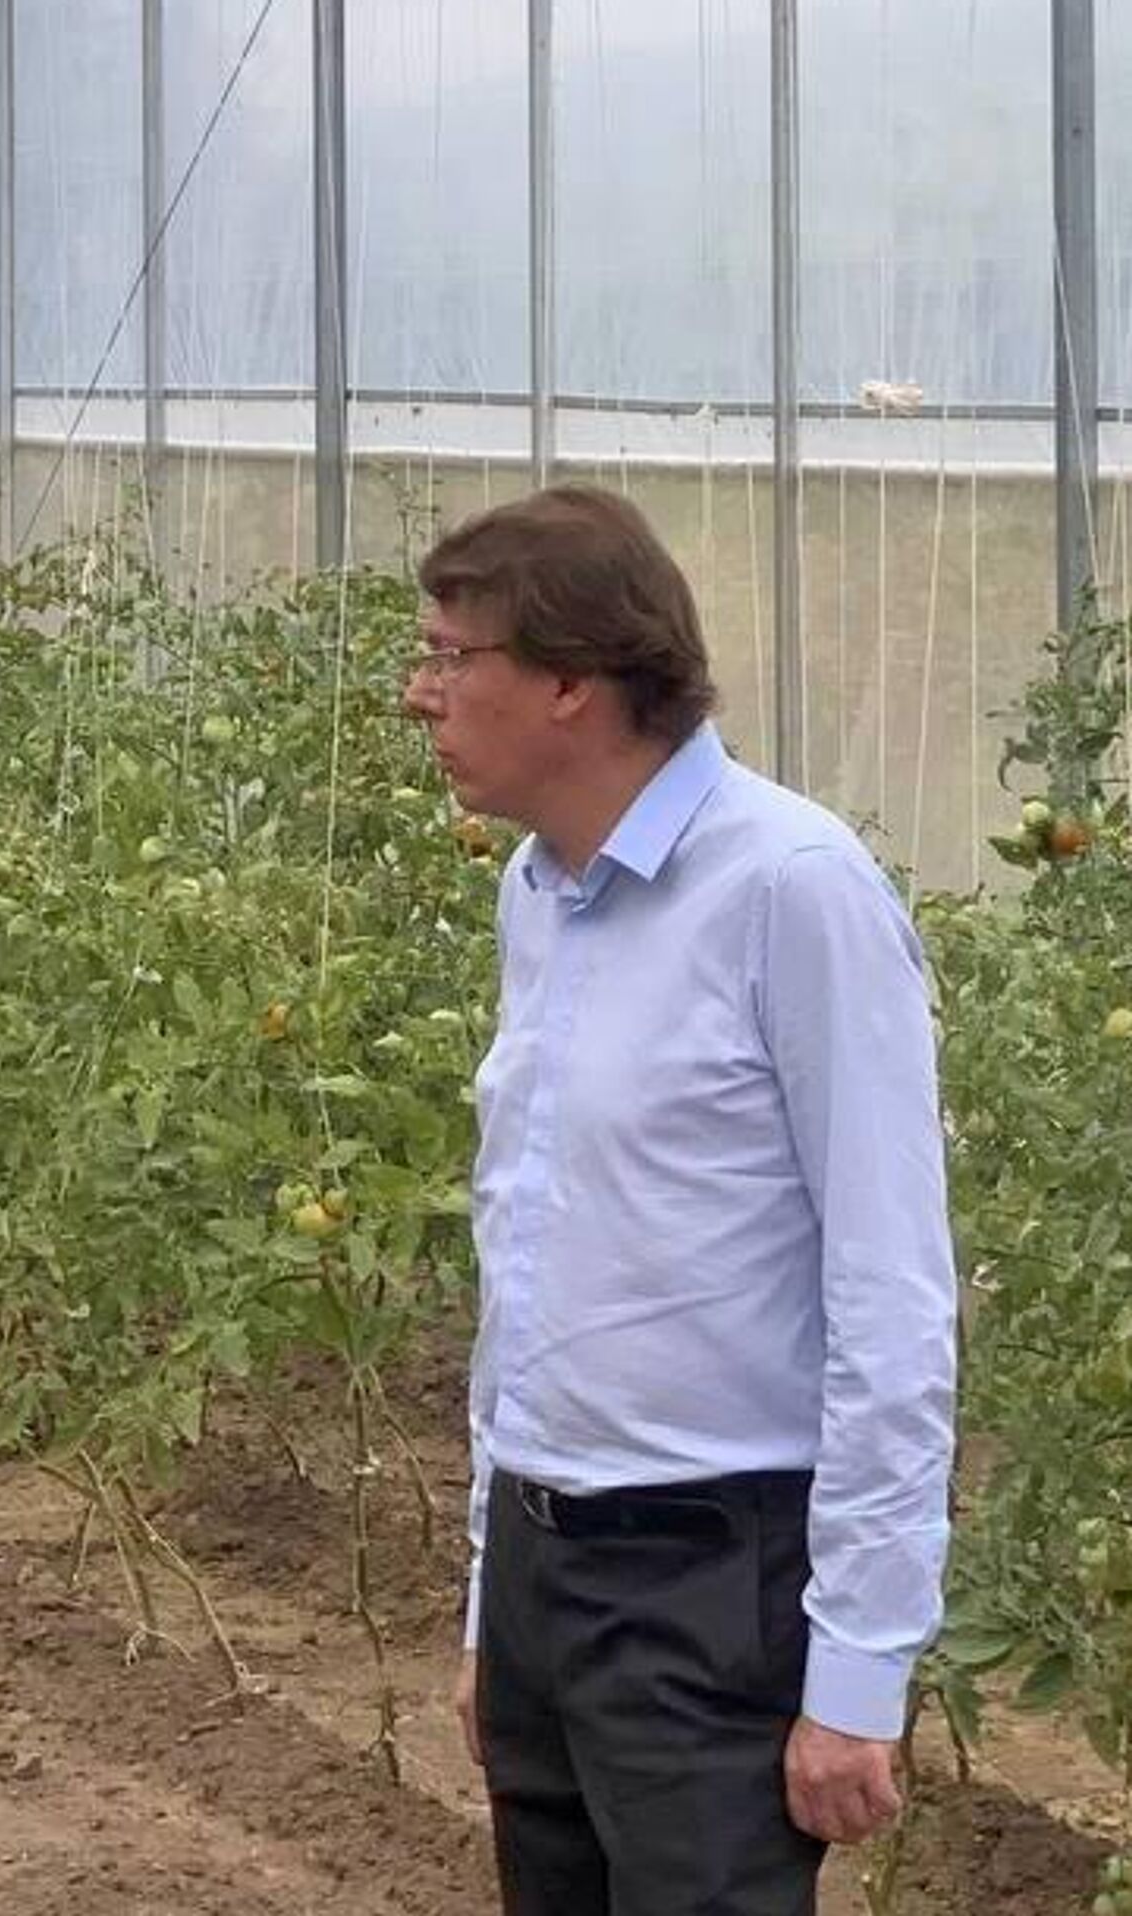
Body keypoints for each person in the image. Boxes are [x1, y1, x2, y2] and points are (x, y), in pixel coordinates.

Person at [402, 487, 956, 1915]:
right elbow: (537, 1264)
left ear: (572, 683)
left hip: (710, 1581)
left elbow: (891, 1294)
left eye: (453, 658)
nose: (420, 695)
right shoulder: (540, 891)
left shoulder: (793, 891)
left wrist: (857, 1673)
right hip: (546, 1567)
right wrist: (493, 1604)